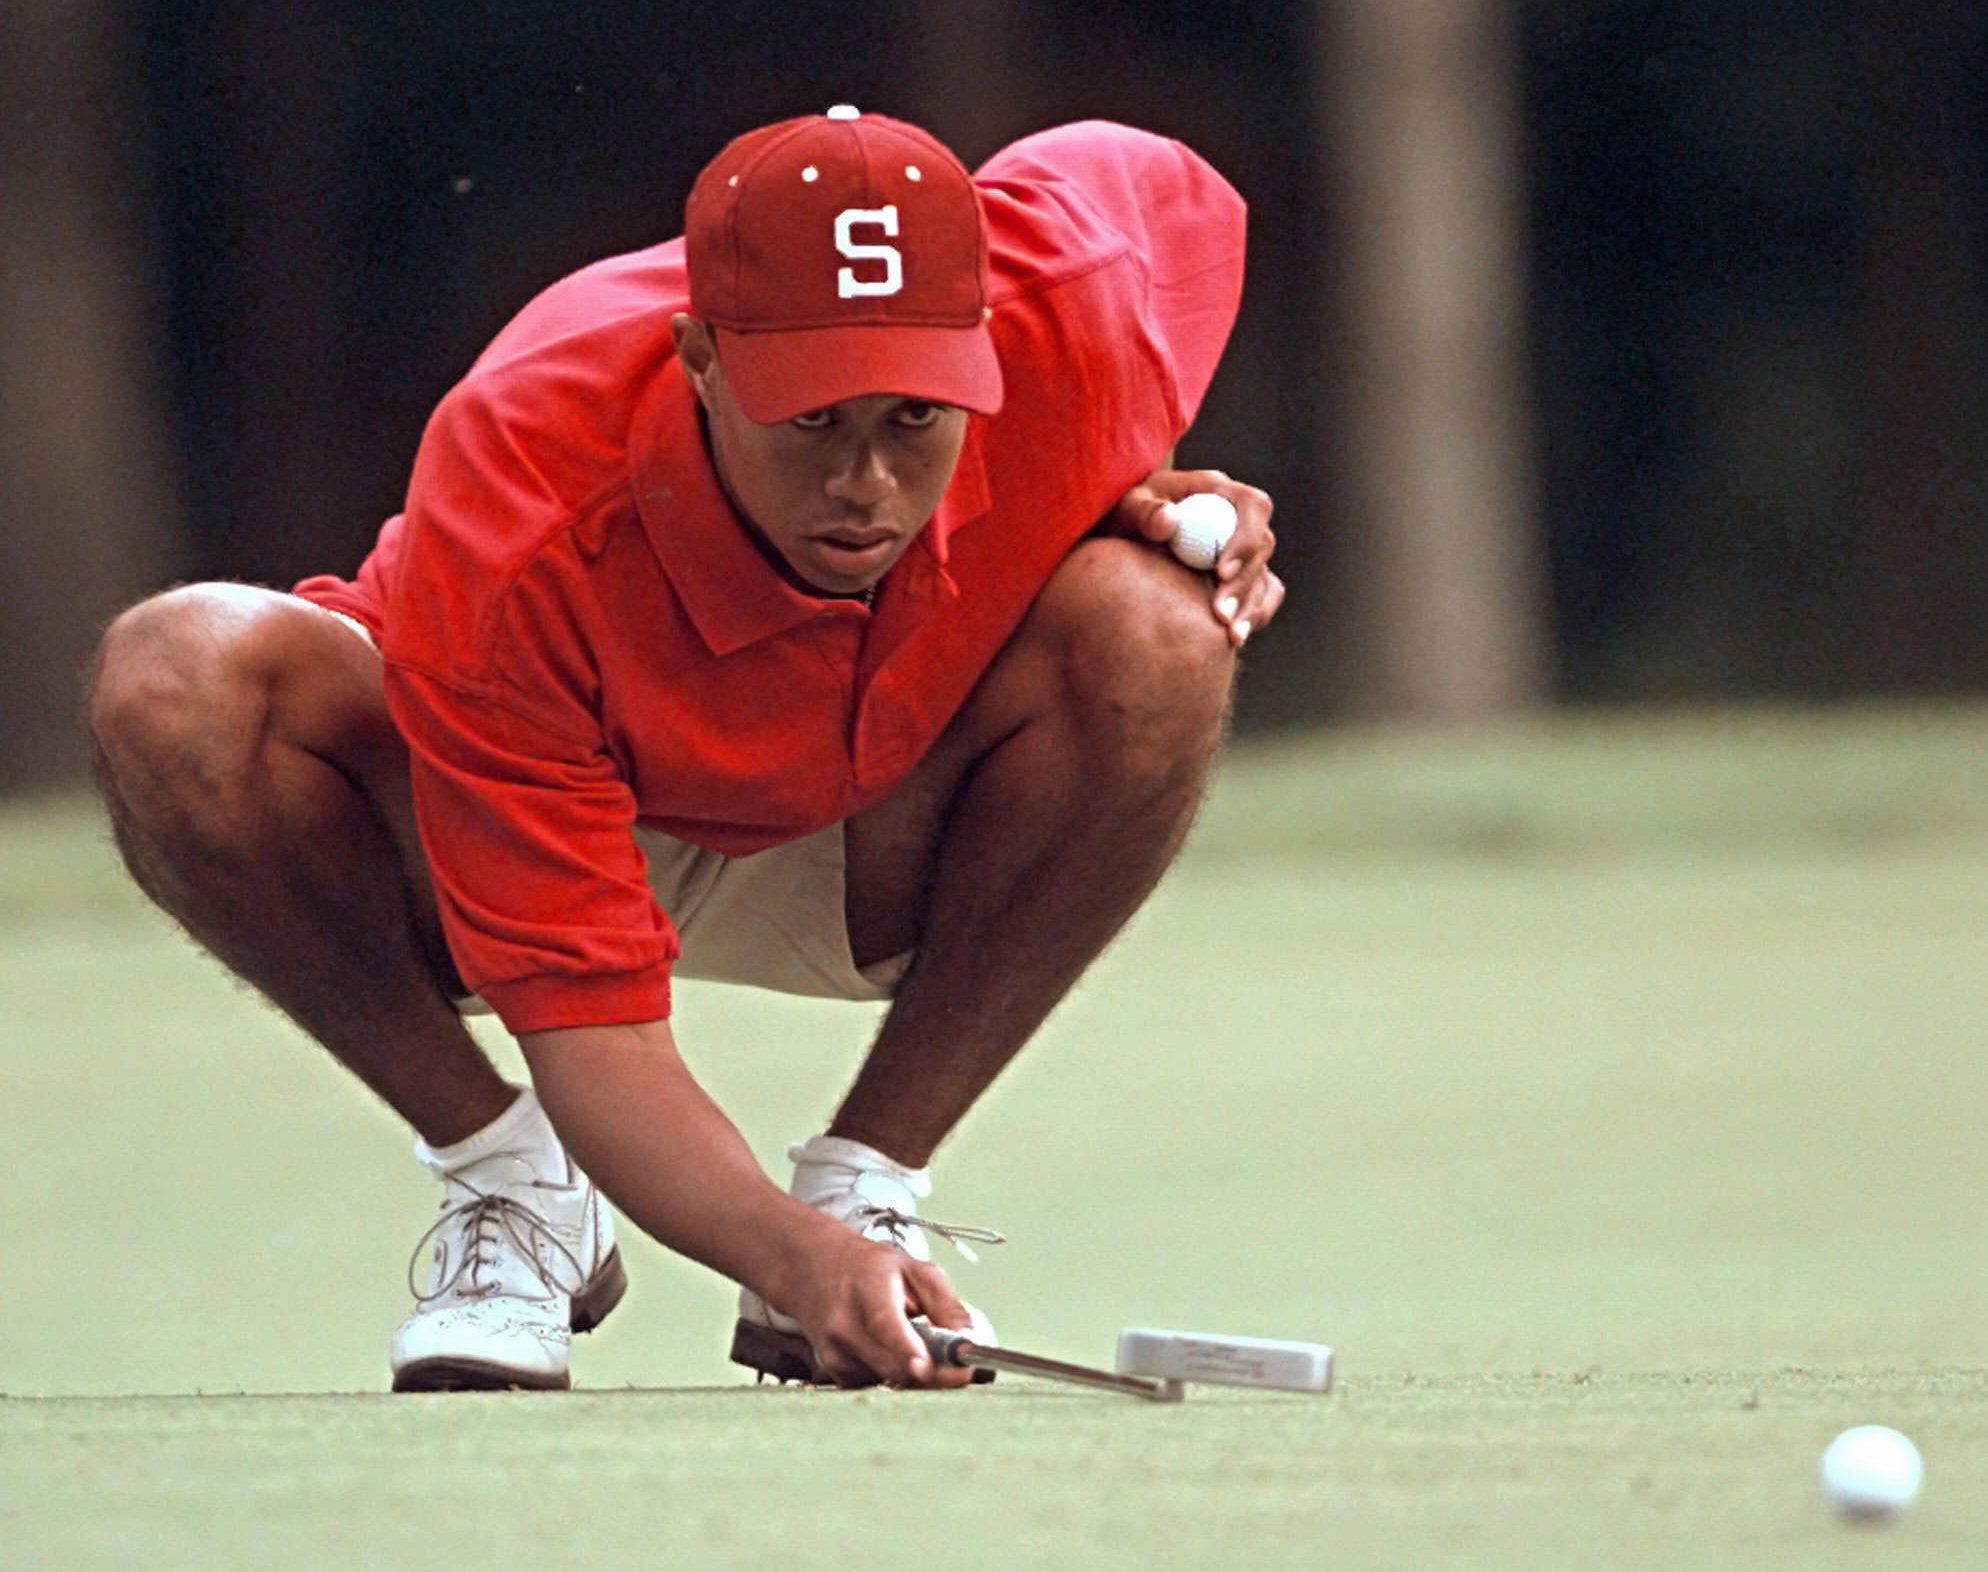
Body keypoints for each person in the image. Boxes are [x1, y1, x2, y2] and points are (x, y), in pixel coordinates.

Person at [86, 105, 1283, 1393]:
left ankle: (868, 1185)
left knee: (1163, 621)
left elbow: (1170, 190)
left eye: (914, 418)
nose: (867, 484)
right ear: (701, 358)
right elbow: (598, 1035)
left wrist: (1131, 484)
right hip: (507, 815)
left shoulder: (1077, 295)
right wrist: (785, 1256)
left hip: (873, 822)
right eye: (811, 421)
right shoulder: (517, 486)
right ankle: (516, 1186)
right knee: (173, 675)